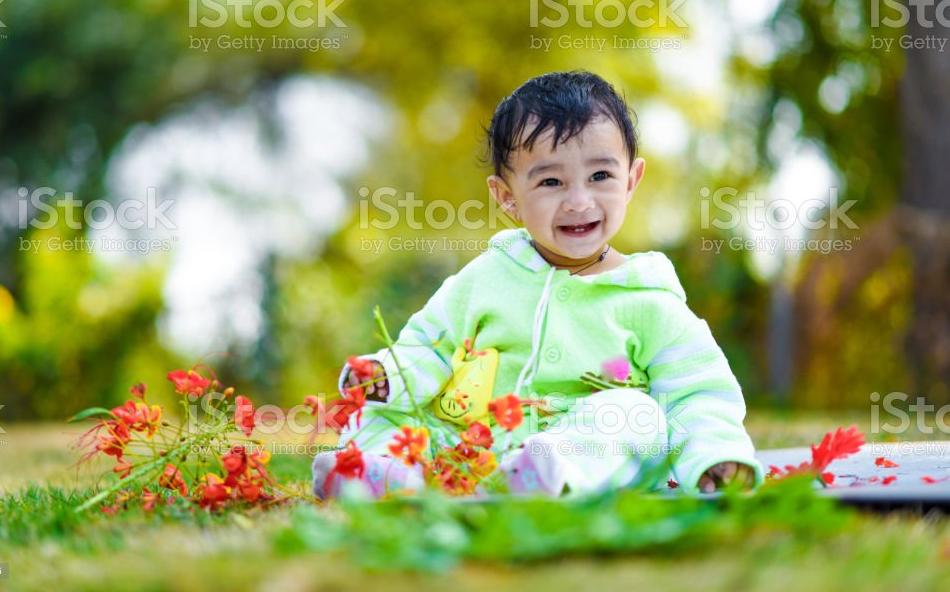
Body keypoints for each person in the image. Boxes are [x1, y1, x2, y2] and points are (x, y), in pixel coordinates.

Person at [313, 70, 761, 499]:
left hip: (583, 449)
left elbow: (697, 391)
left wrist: (715, 454)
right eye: (550, 181)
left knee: (638, 416)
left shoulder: (648, 299)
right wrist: (388, 377)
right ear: (507, 197)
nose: (579, 201)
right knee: (387, 412)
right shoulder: (484, 279)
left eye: (600, 176)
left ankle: (550, 474)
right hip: (468, 446)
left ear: (631, 180)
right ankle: (379, 472)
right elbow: (428, 347)